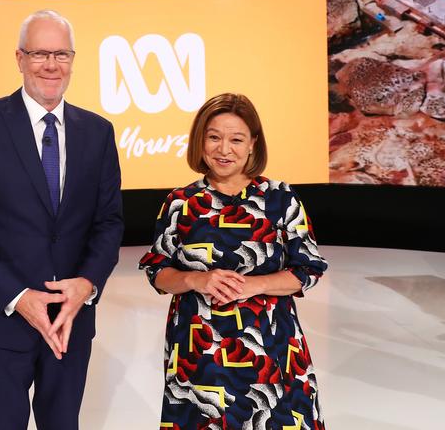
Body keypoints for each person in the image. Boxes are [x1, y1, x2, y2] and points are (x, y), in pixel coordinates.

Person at [0, 9, 124, 430]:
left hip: (69, 320)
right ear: (20, 58)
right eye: (40, 53)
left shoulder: (98, 132)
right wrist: (18, 296)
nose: (51, 65)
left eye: (61, 54)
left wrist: (87, 284)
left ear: (73, 60)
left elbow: (109, 223)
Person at [139, 93, 327, 430]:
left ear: (253, 143)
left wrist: (254, 285)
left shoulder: (281, 198)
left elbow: (308, 268)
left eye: (236, 139)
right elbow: (157, 269)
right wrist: (197, 280)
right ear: (200, 141)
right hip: (200, 352)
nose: (224, 149)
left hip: (272, 349)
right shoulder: (181, 202)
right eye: (214, 137)